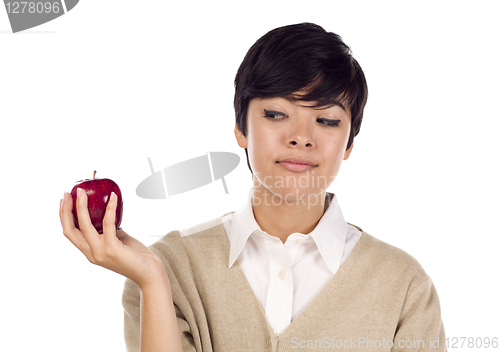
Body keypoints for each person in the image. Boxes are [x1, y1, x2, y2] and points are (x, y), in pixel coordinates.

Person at [60, 23, 446, 352]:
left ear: (349, 144)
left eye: (326, 121)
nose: (301, 137)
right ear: (240, 129)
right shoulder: (170, 268)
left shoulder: (405, 286)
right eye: (276, 114)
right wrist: (152, 280)